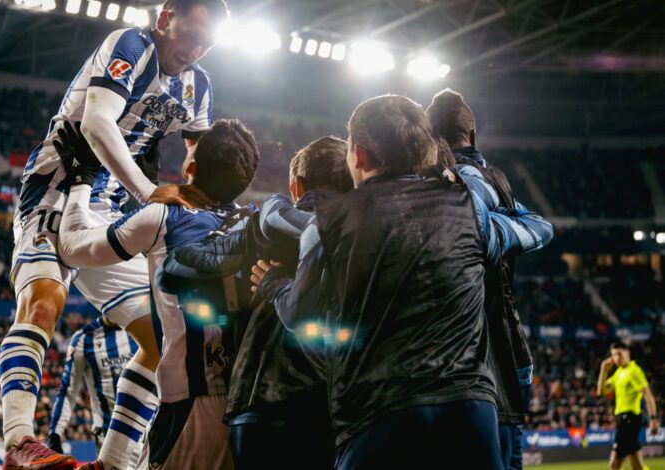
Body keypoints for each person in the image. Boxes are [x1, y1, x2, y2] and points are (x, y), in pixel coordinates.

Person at [254, 94, 554, 469]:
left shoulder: (328, 221)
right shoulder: (469, 209)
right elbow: (537, 230)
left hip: (378, 413)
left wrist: (275, 284)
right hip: (469, 411)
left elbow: (299, 315)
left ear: (358, 154)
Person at [0, 1, 228, 468]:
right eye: (191, 36)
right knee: (43, 303)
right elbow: (96, 122)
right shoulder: (130, 45)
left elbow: (200, 154)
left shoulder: (198, 85)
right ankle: (19, 442)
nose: (196, 50)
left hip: (108, 205)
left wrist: (207, 194)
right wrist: (148, 190)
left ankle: (115, 461)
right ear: (165, 18)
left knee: (165, 337)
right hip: (58, 183)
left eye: (207, 44)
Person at [56, 118, 260, 470]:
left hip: (193, 407)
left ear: (191, 168)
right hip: (249, 404)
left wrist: (81, 179)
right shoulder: (256, 221)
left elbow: (72, 247)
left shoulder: (165, 217)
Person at [159, 136, 352, 469]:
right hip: (338, 407)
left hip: (258, 403)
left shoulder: (259, 229)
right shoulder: (366, 235)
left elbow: (173, 271)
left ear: (296, 186)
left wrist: (229, 230)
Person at [427, 88, 537, 470]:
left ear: (430, 137)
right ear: (471, 135)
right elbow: (540, 226)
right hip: (508, 352)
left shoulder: (440, 182)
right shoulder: (498, 180)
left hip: (464, 361)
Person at [45, 318, 141, 458]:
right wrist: (54, 434)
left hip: (147, 433)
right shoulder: (83, 339)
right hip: (108, 436)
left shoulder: (143, 328)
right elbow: (68, 391)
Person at [597, 342, 659, 470]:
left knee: (614, 464)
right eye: (614, 355)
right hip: (622, 419)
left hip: (630, 418)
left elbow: (648, 395)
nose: (617, 358)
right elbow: (601, 392)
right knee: (636, 465)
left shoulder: (634, 370)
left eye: (619, 354)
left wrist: (653, 419)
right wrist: (604, 370)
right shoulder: (618, 373)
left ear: (627, 353)